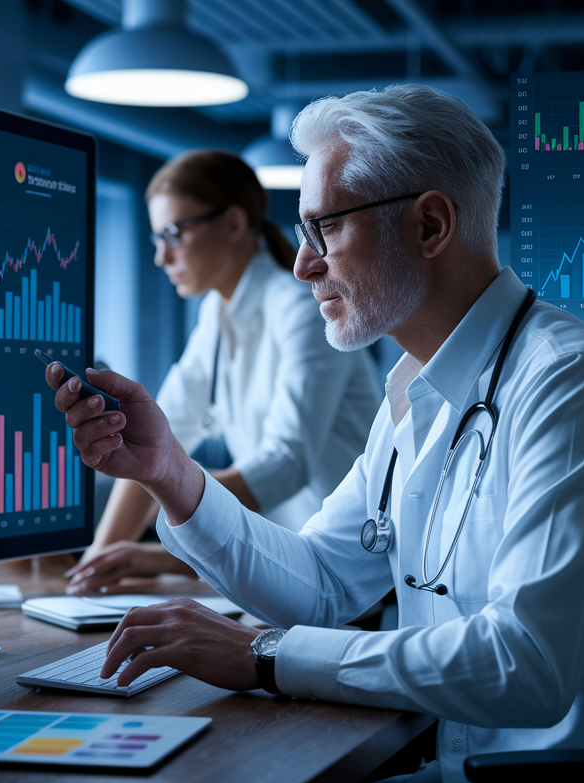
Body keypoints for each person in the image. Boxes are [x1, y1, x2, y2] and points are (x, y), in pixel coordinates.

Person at [46, 85, 584, 783]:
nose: (303, 265)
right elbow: (320, 583)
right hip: (482, 778)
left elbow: (524, 663)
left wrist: (263, 655)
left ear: (430, 225)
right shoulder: (417, 393)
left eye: (326, 230)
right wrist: (173, 476)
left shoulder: (572, 383)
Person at [66, 149, 380, 594]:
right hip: (283, 566)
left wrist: (172, 510)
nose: (160, 257)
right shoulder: (217, 314)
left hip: (345, 579)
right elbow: (156, 436)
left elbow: (285, 463)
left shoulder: (300, 308)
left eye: (172, 234)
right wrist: (97, 560)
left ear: (233, 224)